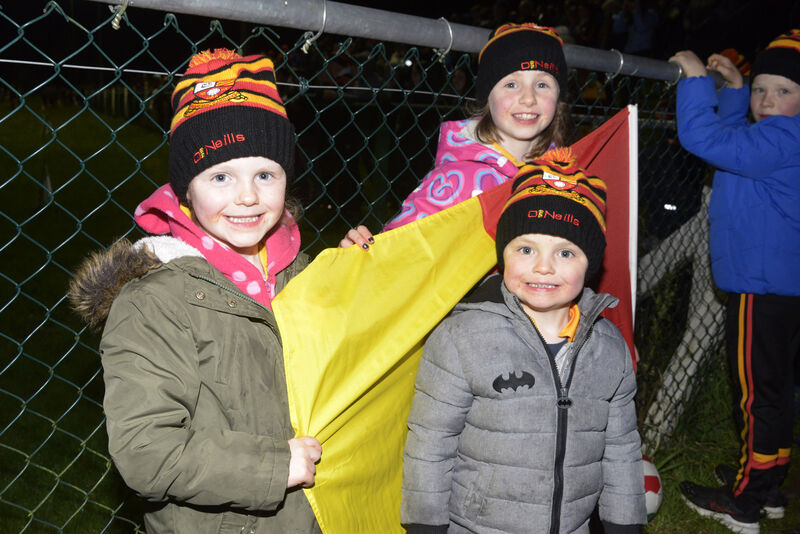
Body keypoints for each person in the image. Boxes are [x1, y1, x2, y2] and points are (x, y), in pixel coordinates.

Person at [68, 49, 322, 534]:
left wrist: (359, 266)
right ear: (186, 191)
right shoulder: (153, 304)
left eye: (264, 174)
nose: (247, 196)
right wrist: (271, 467)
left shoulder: (301, 270)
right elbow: (147, 454)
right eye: (220, 176)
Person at [400, 149, 647, 534]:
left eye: (566, 252)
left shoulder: (610, 349)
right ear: (503, 254)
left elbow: (621, 448)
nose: (543, 266)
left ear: (591, 265)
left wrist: (624, 523)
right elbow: (430, 445)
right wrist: (425, 525)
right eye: (526, 249)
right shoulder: (460, 339)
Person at [669, 30, 800, 534]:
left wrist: (697, 81)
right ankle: (767, 483)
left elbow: (703, 139)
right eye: (761, 90)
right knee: (774, 389)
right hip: (777, 287)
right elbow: (728, 146)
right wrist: (735, 89)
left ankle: (744, 502)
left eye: (781, 91)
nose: (767, 101)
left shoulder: (781, 137)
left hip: (759, 287)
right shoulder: (776, 137)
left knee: (757, 396)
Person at [340, 22, 570, 249]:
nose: (528, 98)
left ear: (559, 98)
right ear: (487, 98)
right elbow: (400, 251)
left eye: (542, 84)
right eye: (511, 84)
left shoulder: (565, 176)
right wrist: (362, 256)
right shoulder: (456, 180)